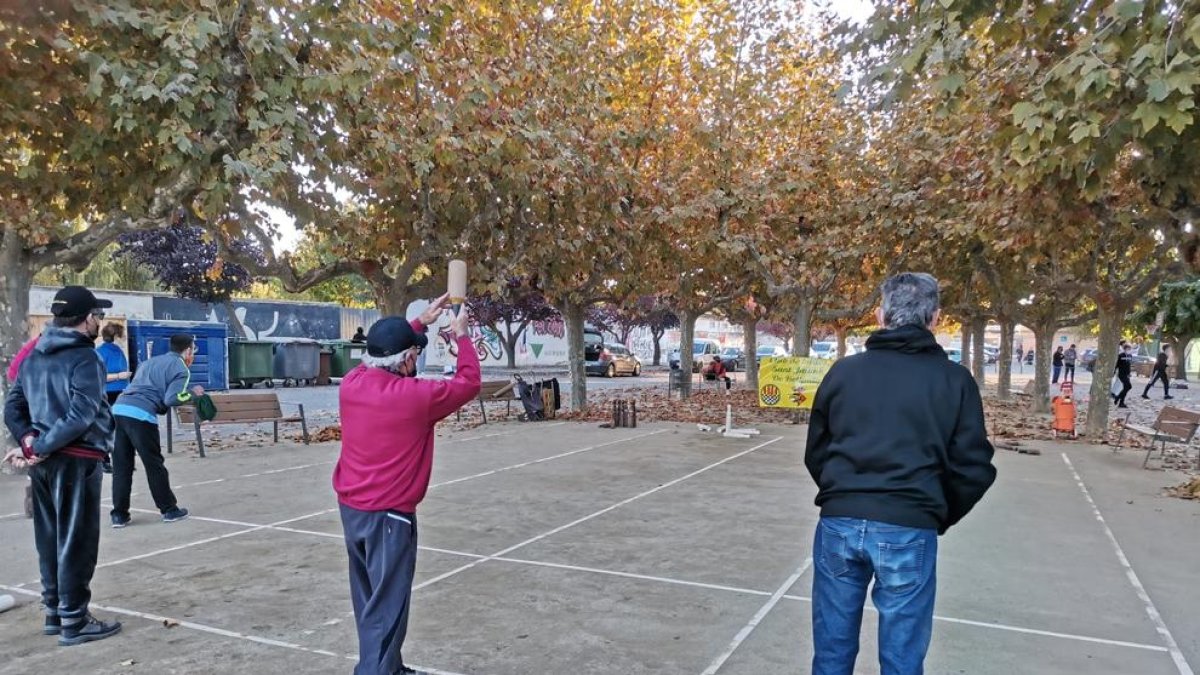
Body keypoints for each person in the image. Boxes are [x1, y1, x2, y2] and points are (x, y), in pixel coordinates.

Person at [805, 273, 996, 675]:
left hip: (840, 521)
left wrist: (844, 492)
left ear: (880, 315)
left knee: (832, 652)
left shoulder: (844, 373)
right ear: (936, 318)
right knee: (902, 658)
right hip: (909, 526)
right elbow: (973, 467)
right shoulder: (954, 381)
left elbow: (818, 450)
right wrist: (934, 512)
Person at [334, 293, 480, 675]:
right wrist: (461, 337)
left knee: (371, 599)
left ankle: (388, 666)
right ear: (408, 360)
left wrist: (419, 323)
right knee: (388, 605)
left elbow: (387, 350)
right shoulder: (414, 397)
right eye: (413, 354)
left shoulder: (352, 382)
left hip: (353, 509)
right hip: (389, 515)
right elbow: (468, 383)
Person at [3, 285, 122, 645]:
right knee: (77, 541)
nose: (99, 321)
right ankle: (75, 619)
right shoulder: (85, 358)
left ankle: (55, 611)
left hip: (44, 461)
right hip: (77, 458)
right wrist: (38, 445)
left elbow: (13, 408)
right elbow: (81, 415)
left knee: (50, 538)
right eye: (97, 316)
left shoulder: (34, 356)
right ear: (87, 319)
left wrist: (29, 444)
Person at [109, 333, 199, 528]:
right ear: (188, 350)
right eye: (194, 349)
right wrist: (192, 394)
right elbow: (171, 399)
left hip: (118, 410)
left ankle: (119, 514)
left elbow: (146, 390)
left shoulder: (150, 362)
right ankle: (169, 509)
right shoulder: (181, 368)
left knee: (122, 466)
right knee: (154, 464)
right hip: (141, 415)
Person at [96, 323, 131, 406]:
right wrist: (118, 376)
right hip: (108, 394)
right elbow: (98, 376)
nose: (126, 338)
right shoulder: (101, 352)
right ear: (116, 337)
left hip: (122, 392)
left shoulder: (118, 351)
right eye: (123, 335)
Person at [1113, 343, 1134, 408]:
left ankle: (1118, 399)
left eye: (1129, 349)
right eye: (1127, 349)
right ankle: (1120, 400)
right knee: (1128, 386)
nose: (1128, 350)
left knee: (1127, 387)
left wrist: (1130, 373)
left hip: (1127, 374)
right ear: (1124, 349)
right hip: (1122, 374)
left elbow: (1129, 365)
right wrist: (1113, 373)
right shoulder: (1120, 355)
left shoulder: (1130, 356)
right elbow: (1116, 365)